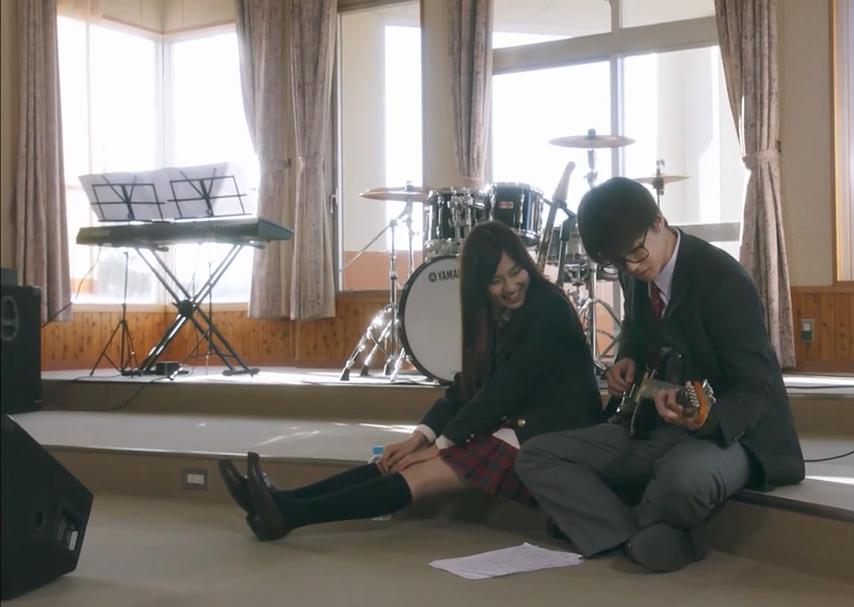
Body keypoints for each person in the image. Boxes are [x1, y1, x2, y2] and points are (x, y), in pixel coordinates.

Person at [219, 221, 604, 541]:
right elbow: (467, 387)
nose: (510, 286)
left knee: (416, 475)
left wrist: (441, 446)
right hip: (516, 423)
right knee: (396, 460)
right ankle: (279, 501)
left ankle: (286, 514)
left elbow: (503, 391)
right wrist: (419, 438)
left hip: (551, 434)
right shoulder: (494, 315)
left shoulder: (548, 308)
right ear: (479, 286)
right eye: (495, 280)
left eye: (516, 271)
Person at [515, 177, 804, 573]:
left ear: (658, 221)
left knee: (681, 480)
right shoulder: (635, 274)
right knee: (536, 456)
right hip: (654, 427)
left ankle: (611, 525)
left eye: (635, 253)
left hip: (730, 435)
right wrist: (627, 358)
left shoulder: (723, 280)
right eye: (618, 263)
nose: (632, 267)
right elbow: (637, 332)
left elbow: (758, 386)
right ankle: (638, 534)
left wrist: (703, 419)